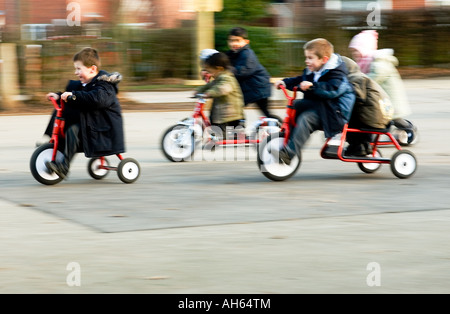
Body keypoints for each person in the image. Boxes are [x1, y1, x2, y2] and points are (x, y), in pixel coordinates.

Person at [45, 47, 125, 179]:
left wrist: (74, 96)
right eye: (75, 69)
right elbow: (75, 93)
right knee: (64, 115)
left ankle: (63, 167)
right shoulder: (85, 84)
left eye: (79, 69)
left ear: (92, 69)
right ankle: (52, 142)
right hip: (92, 124)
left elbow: (97, 99)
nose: (76, 72)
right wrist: (59, 96)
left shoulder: (105, 85)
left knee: (73, 131)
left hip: (105, 129)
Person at [274, 38, 355, 164]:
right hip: (322, 106)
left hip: (334, 112)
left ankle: (289, 153)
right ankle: (287, 138)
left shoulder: (337, 73)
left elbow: (333, 89)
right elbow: (300, 79)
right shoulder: (313, 70)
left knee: (306, 119)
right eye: (306, 57)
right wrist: (285, 82)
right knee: (296, 106)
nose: (307, 61)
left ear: (324, 59)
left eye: (310, 58)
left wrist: (313, 86)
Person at [348, 30, 417, 145]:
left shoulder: (380, 63)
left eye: (357, 50)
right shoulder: (363, 63)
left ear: (365, 49)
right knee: (378, 118)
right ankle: (373, 138)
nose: (354, 54)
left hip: (390, 100)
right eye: (353, 51)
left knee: (394, 119)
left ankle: (409, 130)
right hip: (380, 99)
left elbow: (372, 79)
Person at [341, 56, 394, 156]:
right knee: (359, 112)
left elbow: (357, 97)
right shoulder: (360, 76)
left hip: (375, 118)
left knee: (347, 117)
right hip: (381, 116)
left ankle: (358, 146)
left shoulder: (355, 79)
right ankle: (364, 146)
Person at [225, 27, 278, 120]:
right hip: (249, 88)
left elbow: (244, 70)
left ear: (246, 42)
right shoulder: (232, 53)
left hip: (258, 87)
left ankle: (283, 130)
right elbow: (219, 61)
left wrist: (227, 71)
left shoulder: (247, 53)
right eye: (231, 41)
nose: (234, 43)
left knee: (234, 112)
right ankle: (281, 128)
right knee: (235, 112)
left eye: (237, 40)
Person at [195, 52, 245, 137]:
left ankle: (225, 137)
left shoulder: (228, 78)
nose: (208, 72)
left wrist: (209, 93)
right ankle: (215, 138)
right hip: (222, 111)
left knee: (222, 134)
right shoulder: (219, 77)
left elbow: (222, 88)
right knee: (214, 122)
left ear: (219, 68)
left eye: (209, 70)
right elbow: (210, 85)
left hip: (230, 114)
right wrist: (199, 90)